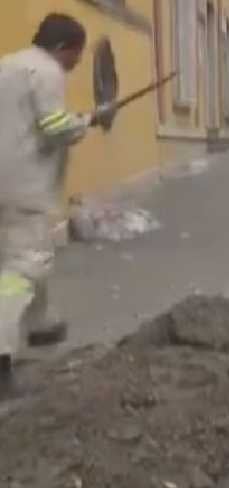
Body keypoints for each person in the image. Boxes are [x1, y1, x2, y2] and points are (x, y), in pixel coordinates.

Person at [0, 13, 111, 384]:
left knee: (22, 254)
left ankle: (41, 323)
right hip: (24, 187)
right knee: (23, 269)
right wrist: (89, 119)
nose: (76, 65)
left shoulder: (8, 66)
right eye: (75, 56)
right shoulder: (46, 71)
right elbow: (54, 128)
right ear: (63, 48)